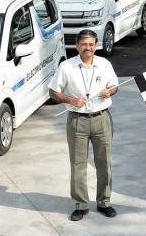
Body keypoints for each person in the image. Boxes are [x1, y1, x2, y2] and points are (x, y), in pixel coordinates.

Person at [49, 29, 119, 221]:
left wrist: (109, 92)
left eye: (91, 44)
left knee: (104, 162)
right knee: (78, 164)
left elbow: (115, 86)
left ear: (95, 45)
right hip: (77, 120)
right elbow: (53, 92)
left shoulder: (104, 64)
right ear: (77, 45)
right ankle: (81, 204)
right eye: (84, 44)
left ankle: (104, 202)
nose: (88, 48)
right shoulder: (66, 67)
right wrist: (71, 100)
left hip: (102, 118)